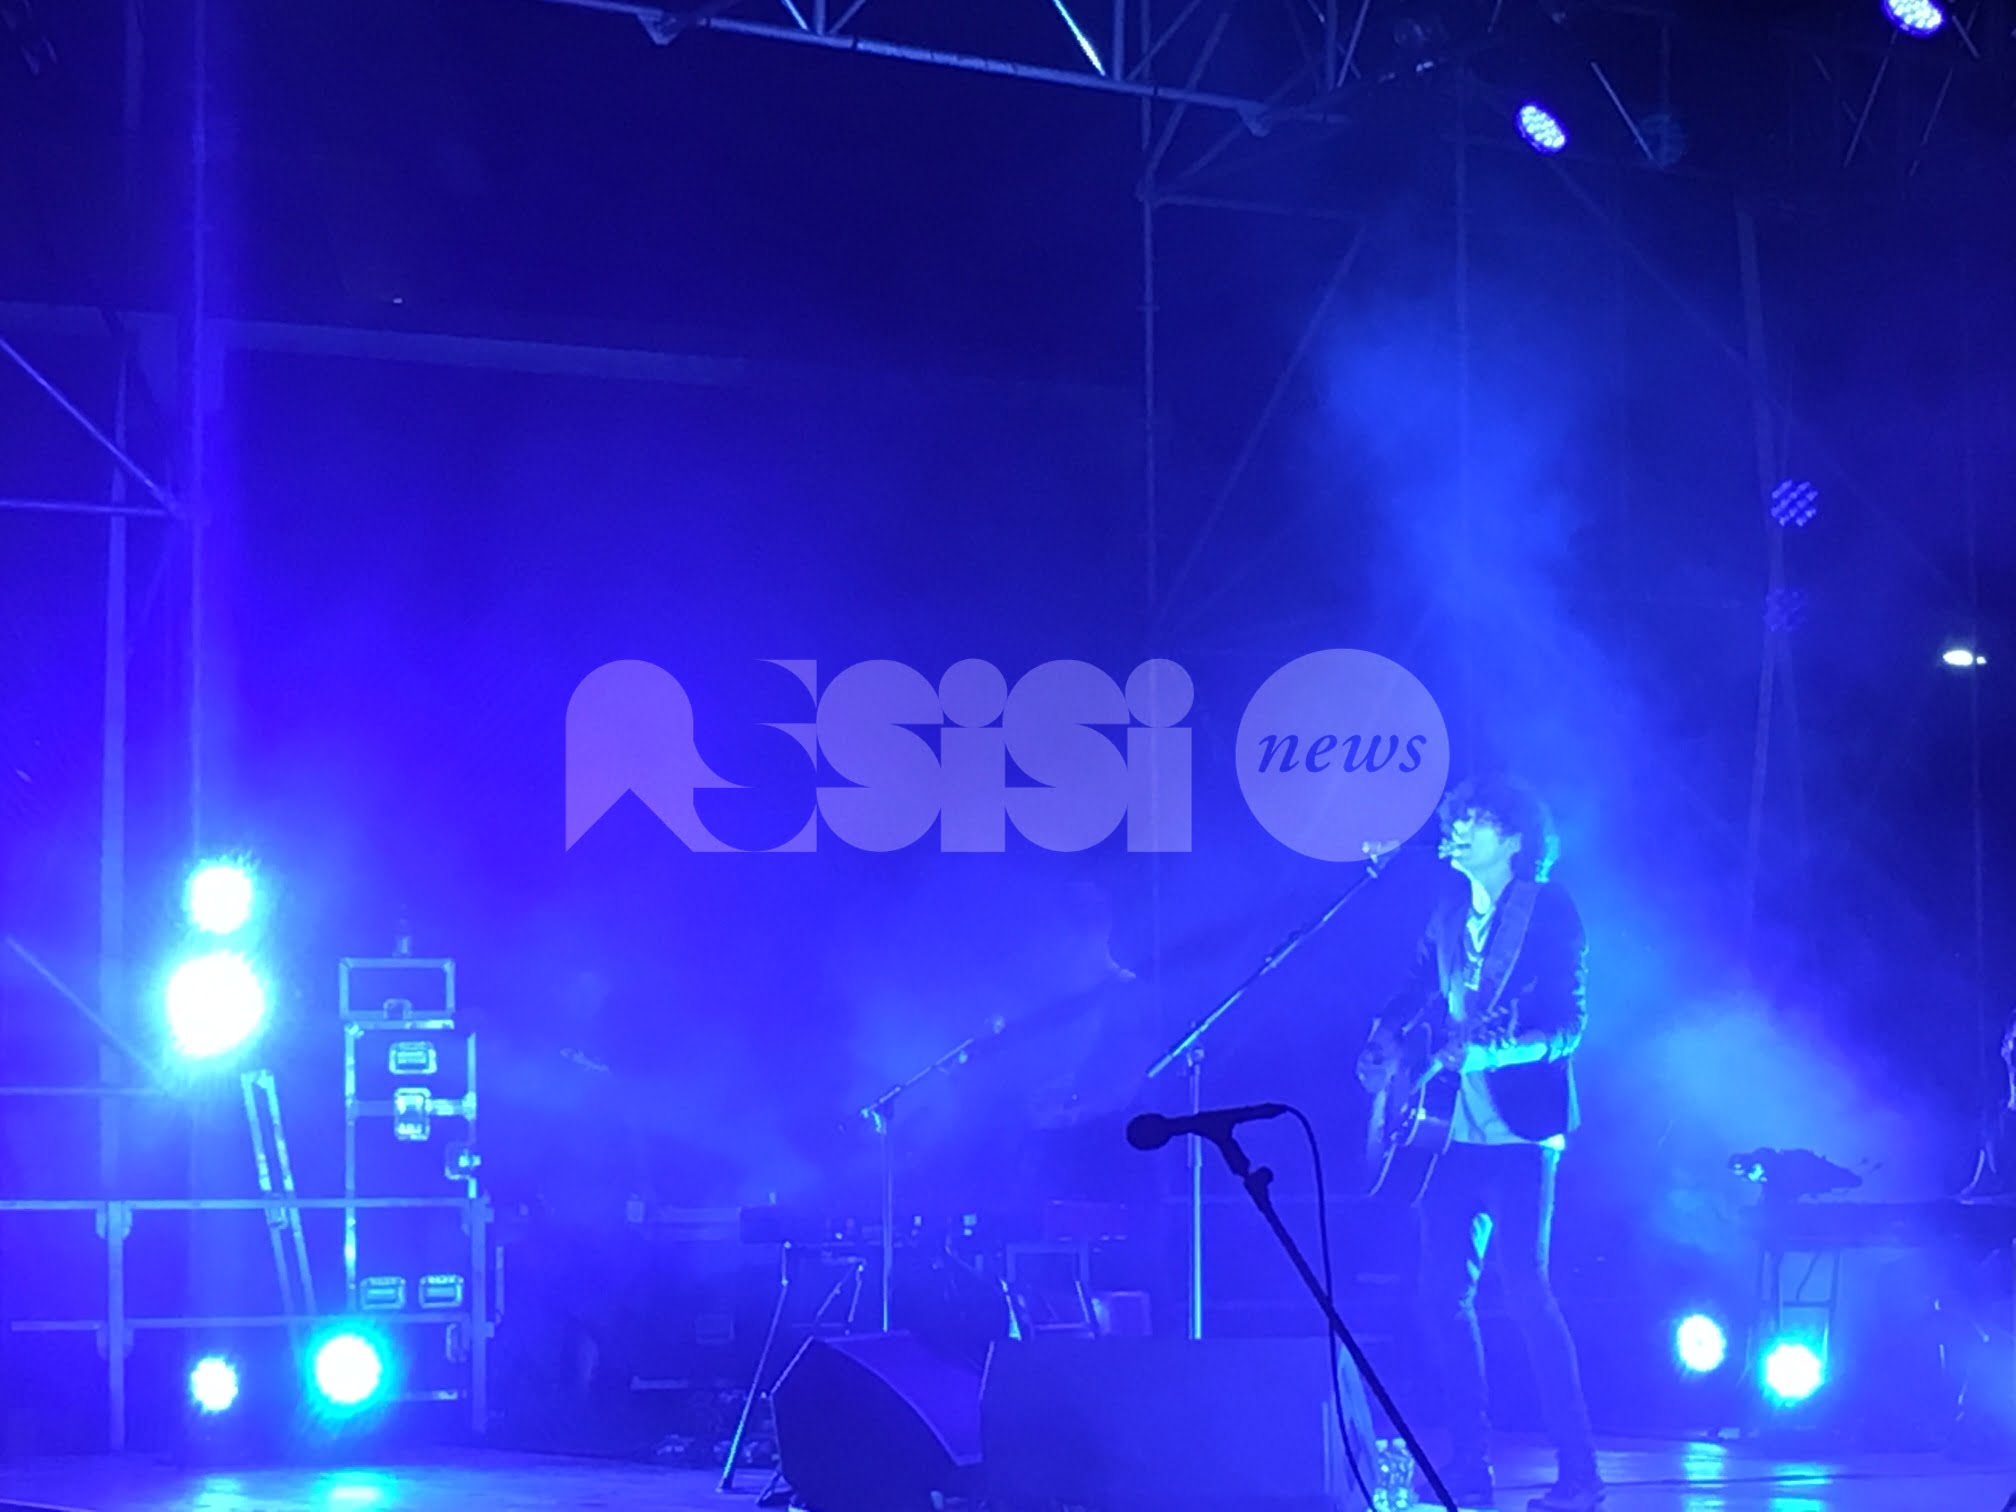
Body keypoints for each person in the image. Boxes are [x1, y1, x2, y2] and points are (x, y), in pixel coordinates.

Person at [1358, 776, 1603, 1512]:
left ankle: (1580, 1471)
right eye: (1456, 817)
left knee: (1526, 1291)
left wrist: (1495, 1053)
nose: (1458, 828)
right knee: (1441, 1298)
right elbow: (1413, 988)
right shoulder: (1447, 912)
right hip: (1447, 1138)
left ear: (1516, 839)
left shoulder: (1549, 910)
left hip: (1523, 1135)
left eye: (1477, 819)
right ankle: (1469, 1466)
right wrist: (1383, 1039)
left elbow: (1569, 1026)